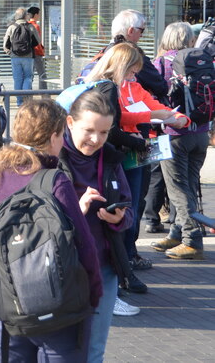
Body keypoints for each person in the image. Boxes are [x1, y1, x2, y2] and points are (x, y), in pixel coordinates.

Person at [0, 99, 102, 362]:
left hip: (13, 310)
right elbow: (84, 245)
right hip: (60, 308)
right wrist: (94, 292)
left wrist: (7, 289)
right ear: (54, 135)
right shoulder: (54, 180)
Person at [86, 43, 188, 292]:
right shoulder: (107, 87)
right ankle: (121, 267)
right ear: (122, 65)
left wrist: (168, 116)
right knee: (122, 205)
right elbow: (117, 120)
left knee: (133, 203)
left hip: (131, 152)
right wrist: (158, 118)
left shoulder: (129, 86)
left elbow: (147, 105)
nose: (135, 74)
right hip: (119, 153)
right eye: (133, 69)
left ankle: (127, 258)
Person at [59, 88, 134, 361]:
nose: (96, 139)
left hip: (103, 265)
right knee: (60, 348)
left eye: (104, 133)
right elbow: (37, 220)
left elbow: (128, 207)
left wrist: (120, 218)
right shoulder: (52, 159)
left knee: (94, 349)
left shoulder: (111, 159)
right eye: (89, 130)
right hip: (61, 267)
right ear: (69, 123)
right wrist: (77, 210)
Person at [151, 21, 209, 260]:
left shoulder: (162, 63)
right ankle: (176, 232)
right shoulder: (203, 60)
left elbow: (153, 94)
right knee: (189, 185)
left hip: (174, 134)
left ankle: (191, 239)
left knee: (177, 190)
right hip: (201, 132)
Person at [146, 22, 191, 234]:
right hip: (192, 128)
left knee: (157, 174)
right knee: (184, 178)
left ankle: (152, 219)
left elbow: (151, 94)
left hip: (163, 127)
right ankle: (177, 221)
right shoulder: (197, 61)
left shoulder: (161, 62)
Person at [3, 7, 40, 105]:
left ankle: (19, 102)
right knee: (28, 77)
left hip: (15, 57)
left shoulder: (11, 27)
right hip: (28, 57)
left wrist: (10, 53)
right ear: (25, 16)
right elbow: (38, 41)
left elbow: (5, 44)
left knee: (17, 78)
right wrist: (29, 48)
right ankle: (26, 99)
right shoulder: (30, 27)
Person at [27, 6, 46, 89]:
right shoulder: (35, 26)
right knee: (42, 74)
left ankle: (28, 93)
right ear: (36, 15)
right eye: (39, 14)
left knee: (30, 75)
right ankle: (45, 94)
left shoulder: (26, 25)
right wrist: (41, 52)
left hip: (28, 54)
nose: (39, 16)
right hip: (36, 53)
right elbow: (37, 42)